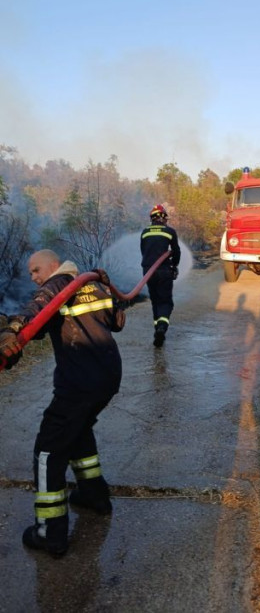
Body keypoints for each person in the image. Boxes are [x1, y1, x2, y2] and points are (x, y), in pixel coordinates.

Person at [0, 249, 125, 556]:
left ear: (53, 266)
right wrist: (111, 291)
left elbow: (34, 311)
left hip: (79, 382)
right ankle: (95, 497)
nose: (33, 277)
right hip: (107, 377)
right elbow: (118, 321)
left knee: (47, 452)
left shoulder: (56, 286)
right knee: (79, 431)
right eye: (30, 273)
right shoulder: (92, 285)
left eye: (36, 270)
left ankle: (49, 532)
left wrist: (10, 329)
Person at [141, 204, 181, 347]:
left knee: (155, 301)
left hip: (148, 272)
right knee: (165, 302)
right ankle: (162, 328)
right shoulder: (169, 231)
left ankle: (157, 328)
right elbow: (176, 251)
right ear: (163, 217)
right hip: (164, 271)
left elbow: (144, 252)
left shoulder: (145, 232)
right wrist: (174, 265)